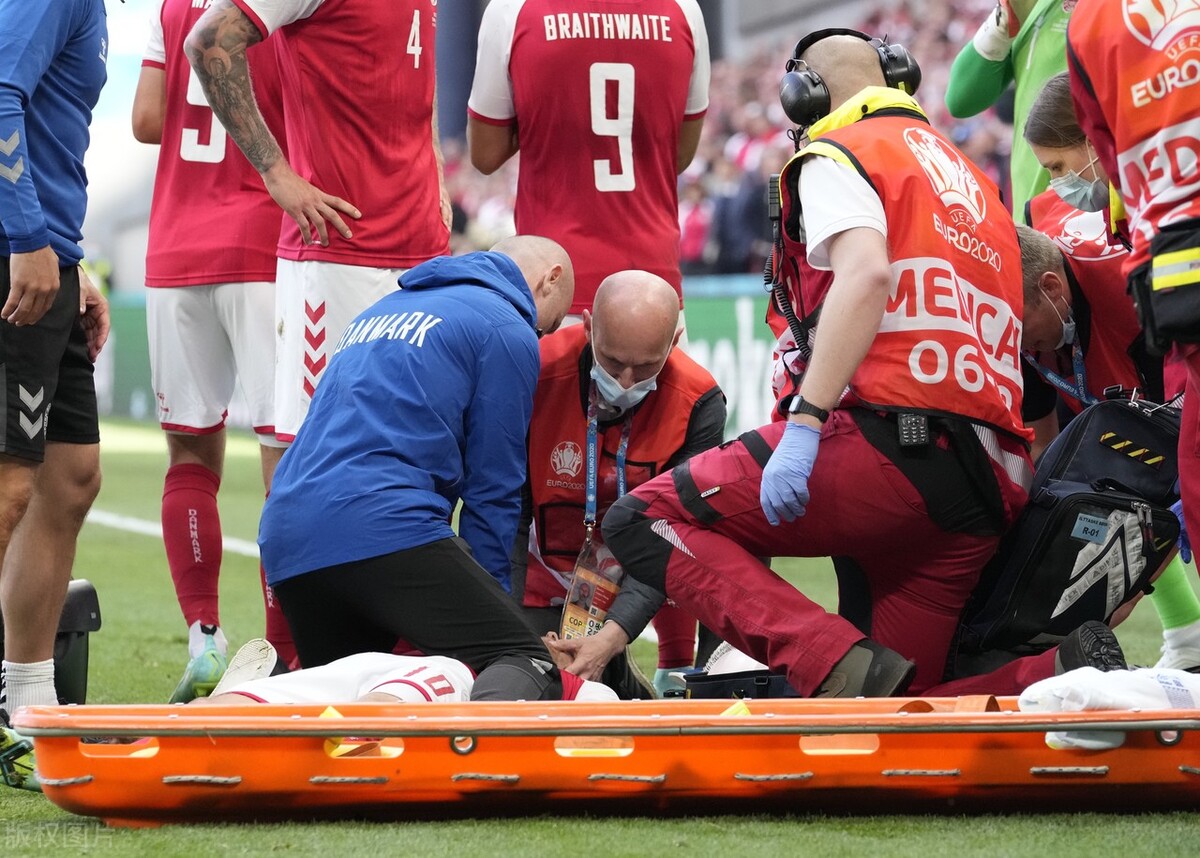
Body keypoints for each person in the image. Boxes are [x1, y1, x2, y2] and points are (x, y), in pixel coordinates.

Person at [587, 30, 1121, 700]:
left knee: (641, 521)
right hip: (987, 480)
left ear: (802, 95)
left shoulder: (845, 152)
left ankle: (825, 659)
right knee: (896, 707)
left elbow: (866, 277)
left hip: (892, 444)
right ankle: (1057, 674)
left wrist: (806, 420)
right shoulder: (973, 180)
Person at [258, 236, 579, 701]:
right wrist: (494, 609)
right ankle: (471, 768)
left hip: (287, 529)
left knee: (342, 696)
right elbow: (493, 490)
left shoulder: (381, 309)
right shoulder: (506, 325)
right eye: (546, 328)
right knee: (519, 659)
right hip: (383, 521)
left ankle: (233, 700)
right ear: (551, 279)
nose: (541, 335)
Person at [184, 0, 450, 443]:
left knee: (420, 446)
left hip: (425, 248)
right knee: (324, 449)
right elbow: (210, 39)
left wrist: (435, 154)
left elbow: (415, 56)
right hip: (339, 252)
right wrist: (275, 172)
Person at [133, 0, 296, 704]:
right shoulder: (279, 9)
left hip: (175, 249)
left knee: (190, 455)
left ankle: (204, 635)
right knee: (282, 462)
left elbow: (145, 122)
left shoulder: (168, 8)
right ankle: (281, 653)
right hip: (261, 246)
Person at [514, 271, 726, 697]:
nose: (627, 382)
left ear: (675, 340)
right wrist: (510, 628)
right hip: (543, 578)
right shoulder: (533, 371)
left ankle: (701, 680)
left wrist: (613, 637)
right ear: (588, 326)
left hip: (643, 569)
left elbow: (672, 535)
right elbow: (508, 517)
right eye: (611, 362)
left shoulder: (699, 400)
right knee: (533, 677)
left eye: (647, 366)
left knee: (733, 521)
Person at [0, 0, 110, 793]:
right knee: (7, 487)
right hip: (19, 257)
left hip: (53, 261)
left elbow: (51, 127)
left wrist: (74, 262)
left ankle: (29, 710)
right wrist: (27, 238)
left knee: (70, 478)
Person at [467, 0, 710, 317]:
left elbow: (485, 155)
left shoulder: (512, 9)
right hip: (653, 291)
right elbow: (677, 156)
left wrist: (543, 116)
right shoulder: (684, 10)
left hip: (550, 287)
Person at [194, 637, 618, 707]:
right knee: (216, 709)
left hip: (444, 676)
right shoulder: (490, 635)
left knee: (359, 723)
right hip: (385, 664)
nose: (554, 638)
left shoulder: (585, 691)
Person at [944, 0, 1075, 220]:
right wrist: (1003, 22)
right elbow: (961, 100)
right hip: (1035, 220)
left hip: (1107, 214)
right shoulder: (1033, 6)